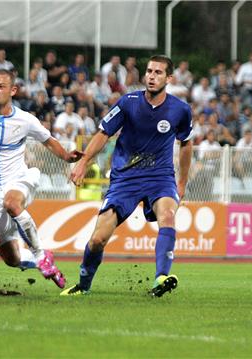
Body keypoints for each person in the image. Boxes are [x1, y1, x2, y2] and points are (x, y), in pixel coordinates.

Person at [61, 55, 193, 298]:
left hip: (160, 177)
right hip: (125, 179)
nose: (152, 76)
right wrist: (83, 161)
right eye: (149, 71)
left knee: (168, 215)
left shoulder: (180, 110)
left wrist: (182, 183)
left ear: (169, 78)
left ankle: (160, 278)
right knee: (98, 240)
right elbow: (103, 133)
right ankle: (83, 284)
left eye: (158, 72)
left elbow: (185, 144)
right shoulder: (128, 102)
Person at [0, 69, 83, 289]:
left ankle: (41, 254)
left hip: (19, 179)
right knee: (10, 260)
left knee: (11, 203)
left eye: (0, 86)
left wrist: (67, 157)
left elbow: (48, 140)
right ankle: (40, 263)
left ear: (13, 90)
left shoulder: (25, 119)